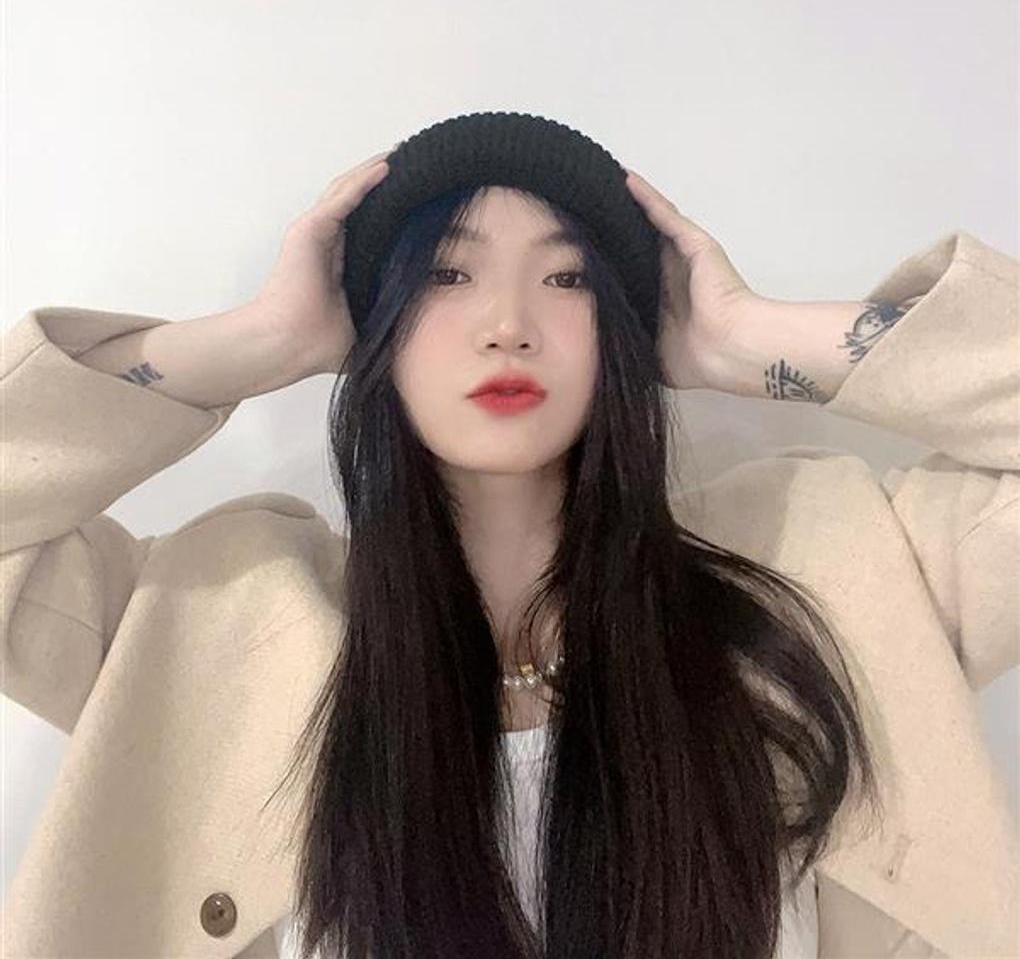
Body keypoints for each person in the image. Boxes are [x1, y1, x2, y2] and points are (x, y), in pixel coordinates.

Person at [3, 113, 1017, 959]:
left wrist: (751, 342)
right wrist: (254, 343)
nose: (508, 323)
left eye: (568, 280)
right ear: (377, 326)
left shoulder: (833, 570)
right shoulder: (215, 620)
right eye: (446, 276)